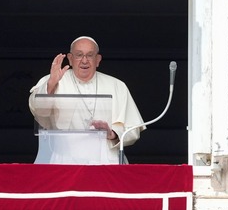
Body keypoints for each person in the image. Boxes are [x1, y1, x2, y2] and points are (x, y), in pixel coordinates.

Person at [29, 36, 145, 164]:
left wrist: (112, 133)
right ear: (70, 59)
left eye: (90, 55)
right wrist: (51, 84)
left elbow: (133, 129)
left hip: (106, 160)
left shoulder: (117, 86)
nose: (84, 60)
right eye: (79, 55)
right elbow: (38, 110)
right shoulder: (53, 80)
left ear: (98, 60)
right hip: (65, 160)